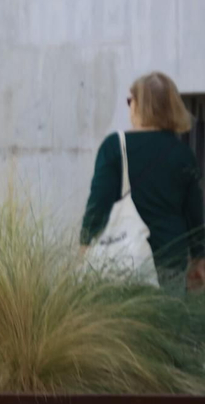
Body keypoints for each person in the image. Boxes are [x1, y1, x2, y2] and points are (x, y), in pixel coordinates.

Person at [81, 71, 205, 293]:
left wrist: (84, 247)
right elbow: (195, 215)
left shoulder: (115, 146)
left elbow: (97, 204)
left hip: (122, 261)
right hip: (170, 261)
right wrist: (199, 258)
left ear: (139, 106)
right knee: (167, 326)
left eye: (131, 101)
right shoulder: (183, 154)